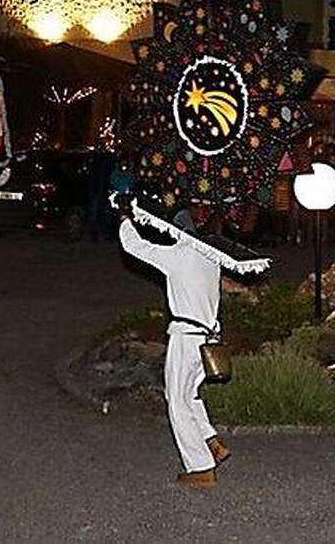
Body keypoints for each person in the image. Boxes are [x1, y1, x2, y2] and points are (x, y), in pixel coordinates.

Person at [118, 208, 230, 488]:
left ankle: (201, 467)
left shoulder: (178, 256)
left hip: (186, 337)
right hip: (208, 337)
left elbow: (134, 246)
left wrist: (124, 221)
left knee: (177, 402)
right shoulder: (210, 258)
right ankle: (210, 440)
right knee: (189, 394)